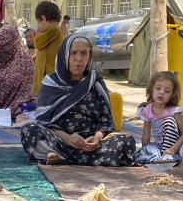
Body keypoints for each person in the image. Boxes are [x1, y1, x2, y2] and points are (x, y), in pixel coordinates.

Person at [20, 35, 135, 166]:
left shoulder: (95, 82)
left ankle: (63, 159)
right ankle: (82, 160)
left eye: (84, 53)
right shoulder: (51, 82)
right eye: (73, 53)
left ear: (89, 56)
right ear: (64, 55)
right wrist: (67, 138)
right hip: (59, 141)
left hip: (91, 145)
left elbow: (106, 121)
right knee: (30, 130)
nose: (79, 59)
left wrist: (97, 138)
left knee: (126, 141)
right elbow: (43, 122)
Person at [135, 70, 183, 164]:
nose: (162, 92)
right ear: (151, 90)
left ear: (172, 95)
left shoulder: (174, 111)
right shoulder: (147, 111)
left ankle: (170, 157)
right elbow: (146, 134)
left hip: (175, 147)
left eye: (167, 91)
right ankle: (157, 159)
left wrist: (172, 149)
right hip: (158, 147)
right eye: (158, 88)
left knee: (169, 121)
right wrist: (145, 149)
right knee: (145, 150)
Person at [32, 1, 63, 95]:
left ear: (43, 18)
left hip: (50, 78)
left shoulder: (53, 30)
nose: (40, 27)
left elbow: (38, 43)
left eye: (39, 23)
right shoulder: (54, 30)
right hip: (48, 77)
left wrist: (38, 34)